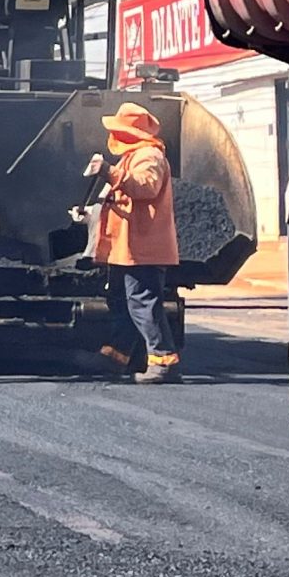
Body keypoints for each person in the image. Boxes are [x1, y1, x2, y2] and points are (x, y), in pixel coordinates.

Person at [87, 101, 183, 385]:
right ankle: (118, 354)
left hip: (144, 248)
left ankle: (164, 359)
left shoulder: (149, 156)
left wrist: (108, 172)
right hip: (126, 248)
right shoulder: (131, 158)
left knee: (143, 302)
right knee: (122, 301)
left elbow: (146, 187)